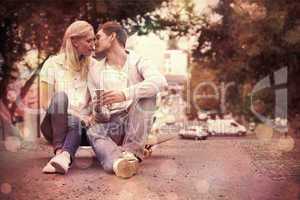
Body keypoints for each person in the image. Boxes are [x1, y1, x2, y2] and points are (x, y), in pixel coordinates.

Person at [86, 21, 168, 178]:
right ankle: (119, 162)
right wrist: (98, 109)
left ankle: (130, 153)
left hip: (136, 123)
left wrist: (125, 94)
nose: (94, 42)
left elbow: (160, 82)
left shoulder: (139, 61)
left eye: (98, 37)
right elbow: (101, 118)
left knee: (148, 94)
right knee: (93, 131)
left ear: (112, 37)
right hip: (114, 125)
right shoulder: (95, 70)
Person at [39, 20, 95, 174]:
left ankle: (62, 156)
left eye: (94, 40)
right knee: (60, 98)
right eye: (89, 40)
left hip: (82, 129)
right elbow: (45, 103)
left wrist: (91, 116)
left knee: (76, 122)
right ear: (75, 41)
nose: (93, 45)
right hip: (54, 125)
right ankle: (60, 150)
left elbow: (98, 101)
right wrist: (78, 115)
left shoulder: (94, 67)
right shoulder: (52, 64)